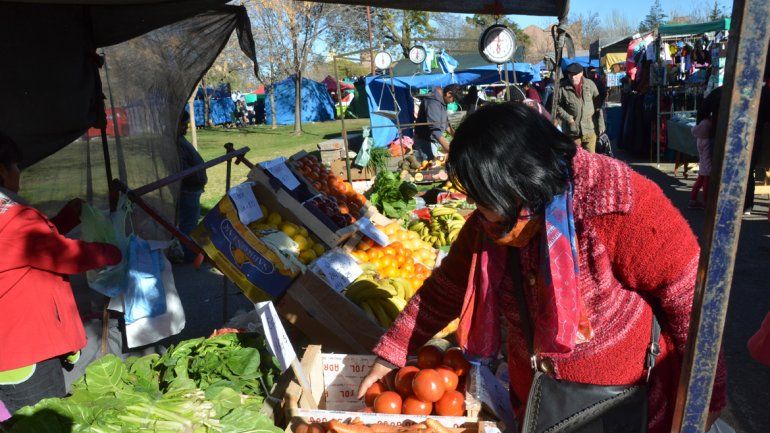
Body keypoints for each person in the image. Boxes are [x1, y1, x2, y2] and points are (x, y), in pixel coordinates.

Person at [357, 103, 726, 433]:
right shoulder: (493, 222)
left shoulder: (617, 205)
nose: (474, 207)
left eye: (481, 197)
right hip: (540, 405)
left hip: (627, 407)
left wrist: (705, 401)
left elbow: (691, 301)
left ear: (522, 182)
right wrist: (390, 352)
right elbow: (447, 288)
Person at [0, 131, 122, 413]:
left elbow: (27, 251)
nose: (19, 172)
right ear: (2, 171)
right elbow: (64, 256)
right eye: (16, 165)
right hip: (25, 351)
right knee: (43, 419)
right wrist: (112, 252)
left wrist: (65, 219)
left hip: (9, 351)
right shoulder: (14, 218)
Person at [177, 111, 208, 262]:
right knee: (188, 224)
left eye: (187, 123)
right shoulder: (176, 143)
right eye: (183, 124)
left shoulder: (181, 140)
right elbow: (181, 168)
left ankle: (189, 252)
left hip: (192, 189)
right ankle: (189, 254)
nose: (186, 127)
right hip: (187, 190)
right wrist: (195, 174)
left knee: (190, 222)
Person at [555, 63, 605, 153]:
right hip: (573, 131)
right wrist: (569, 118)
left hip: (590, 128)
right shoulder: (562, 88)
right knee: (577, 159)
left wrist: (601, 123)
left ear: (581, 73)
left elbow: (598, 106)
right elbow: (556, 106)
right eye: (570, 75)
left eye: (575, 74)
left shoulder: (590, 85)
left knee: (590, 159)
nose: (572, 77)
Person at [414, 84, 460, 161]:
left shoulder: (442, 101)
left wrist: (458, 137)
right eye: (453, 99)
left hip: (432, 139)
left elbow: (445, 124)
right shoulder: (433, 103)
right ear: (449, 93)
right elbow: (435, 131)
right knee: (429, 166)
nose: (452, 102)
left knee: (435, 164)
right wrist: (451, 151)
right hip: (424, 140)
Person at [689, 118, 713, 209]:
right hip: (707, 163)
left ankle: (692, 199)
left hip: (702, 162)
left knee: (699, 181)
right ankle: (705, 202)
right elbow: (708, 155)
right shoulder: (707, 125)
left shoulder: (699, 138)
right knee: (706, 181)